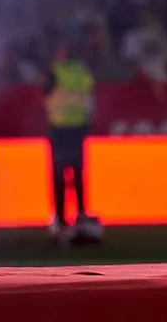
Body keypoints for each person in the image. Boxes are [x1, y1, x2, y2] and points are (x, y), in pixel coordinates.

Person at [43, 43, 96, 239]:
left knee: (59, 174)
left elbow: (45, 94)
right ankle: (81, 214)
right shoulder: (83, 72)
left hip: (59, 128)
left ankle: (60, 218)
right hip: (79, 127)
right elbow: (90, 98)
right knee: (78, 172)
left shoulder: (55, 71)